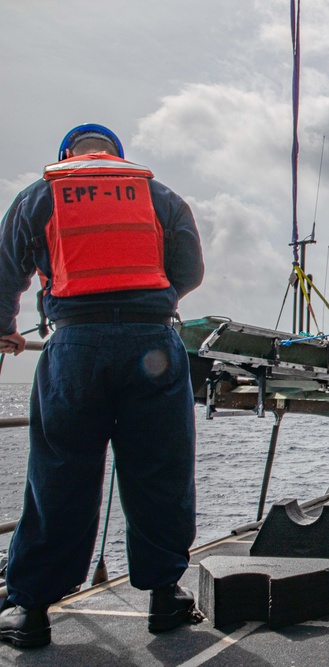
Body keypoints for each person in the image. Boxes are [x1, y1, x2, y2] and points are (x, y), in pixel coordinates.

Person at [0, 124, 205, 648]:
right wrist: (148, 309)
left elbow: (6, 269)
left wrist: (5, 326)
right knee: (160, 469)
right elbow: (189, 269)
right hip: (153, 346)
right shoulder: (156, 194)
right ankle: (165, 597)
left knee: (60, 471)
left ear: (69, 155)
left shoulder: (41, 193)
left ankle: (32, 609)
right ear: (117, 156)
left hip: (73, 348)